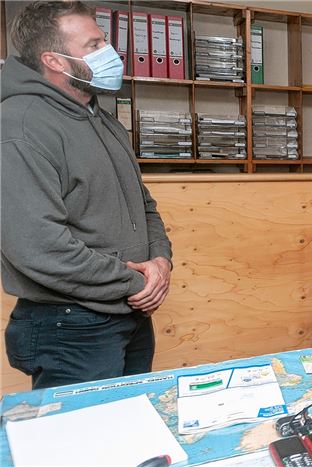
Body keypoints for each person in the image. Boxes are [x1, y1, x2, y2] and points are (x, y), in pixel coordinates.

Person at [2, 1, 173, 389]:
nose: (110, 54)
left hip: (127, 315)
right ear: (54, 60)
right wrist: (137, 284)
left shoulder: (100, 117)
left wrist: (160, 260)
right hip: (71, 327)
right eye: (94, 45)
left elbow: (143, 204)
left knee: (128, 434)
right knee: (80, 446)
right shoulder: (20, 126)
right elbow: (38, 247)